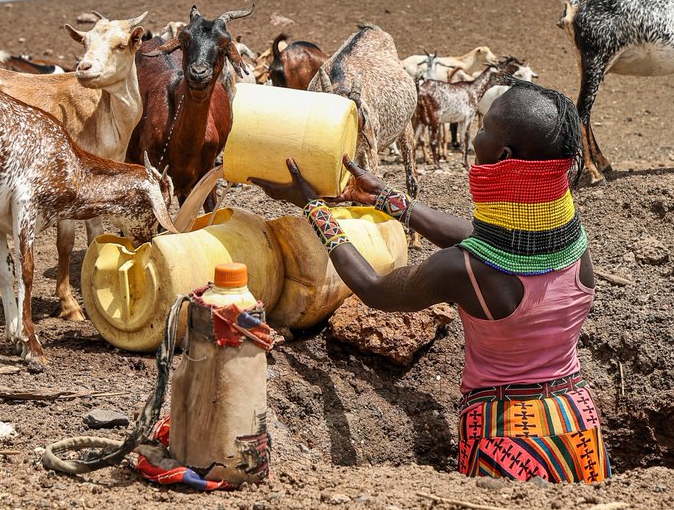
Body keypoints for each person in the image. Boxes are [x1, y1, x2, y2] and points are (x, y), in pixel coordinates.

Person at [252, 78, 610, 483]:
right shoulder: (574, 245)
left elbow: (372, 288)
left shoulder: (463, 271)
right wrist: (385, 198)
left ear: (503, 154)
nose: (475, 135)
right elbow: (487, 239)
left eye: (485, 126)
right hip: (579, 426)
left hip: (507, 442)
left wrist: (315, 211)